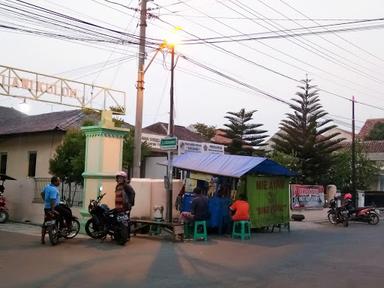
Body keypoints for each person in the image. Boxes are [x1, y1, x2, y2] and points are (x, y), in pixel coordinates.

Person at [40, 176, 72, 244]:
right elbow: (52, 200)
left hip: (46, 208)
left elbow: (42, 193)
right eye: (58, 181)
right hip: (54, 207)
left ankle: (42, 239)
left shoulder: (47, 186)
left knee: (45, 223)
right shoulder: (54, 189)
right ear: (54, 182)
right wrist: (53, 209)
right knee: (68, 212)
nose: (59, 182)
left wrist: (45, 201)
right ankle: (66, 226)